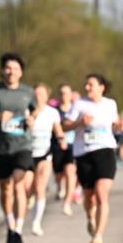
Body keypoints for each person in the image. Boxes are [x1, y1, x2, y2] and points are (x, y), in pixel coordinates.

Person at [0, 52, 36, 243]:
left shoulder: (27, 92)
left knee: (18, 185)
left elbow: (35, 110)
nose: (11, 71)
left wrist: (32, 119)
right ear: (2, 70)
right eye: (7, 68)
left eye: (15, 68)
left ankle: (19, 230)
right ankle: (10, 226)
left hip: (22, 145)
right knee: (5, 189)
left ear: (21, 72)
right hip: (0, 147)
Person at [62, 74, 119, 243]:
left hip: (105, 151)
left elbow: (114, 124)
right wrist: (80, 122)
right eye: (86, 84)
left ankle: (98, 236)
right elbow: (65, 125)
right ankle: (90, 218)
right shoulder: (79, 104)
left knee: (102, 193)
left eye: (91, 84)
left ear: (101, 87)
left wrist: (119, 126)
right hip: (84, 153)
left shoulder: (110, 104)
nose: (87, 87)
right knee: (89, 196)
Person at [24, 83, 64, 236]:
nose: (38, 97)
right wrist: (33, 114)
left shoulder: (53, 112)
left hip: (45, 154)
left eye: (41, 94)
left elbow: (58, 129)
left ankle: (36, 222)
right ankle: (29, 201)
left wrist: (62, 139)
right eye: (36, 94)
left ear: (47, 96)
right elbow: (23, 128)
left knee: (40, 187)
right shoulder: (27, 110)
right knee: (28, 188)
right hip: (28, 153)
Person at [52, 84, 79, 215]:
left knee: (70, 173)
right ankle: (59, 185)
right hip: (57, 145)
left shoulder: (76, 110)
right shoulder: (55, 111)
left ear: (71, 94)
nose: (64, 96)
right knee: (58, 174)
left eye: (67, 93)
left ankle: (67, 202)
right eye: (62, 93)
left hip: (73, 145)